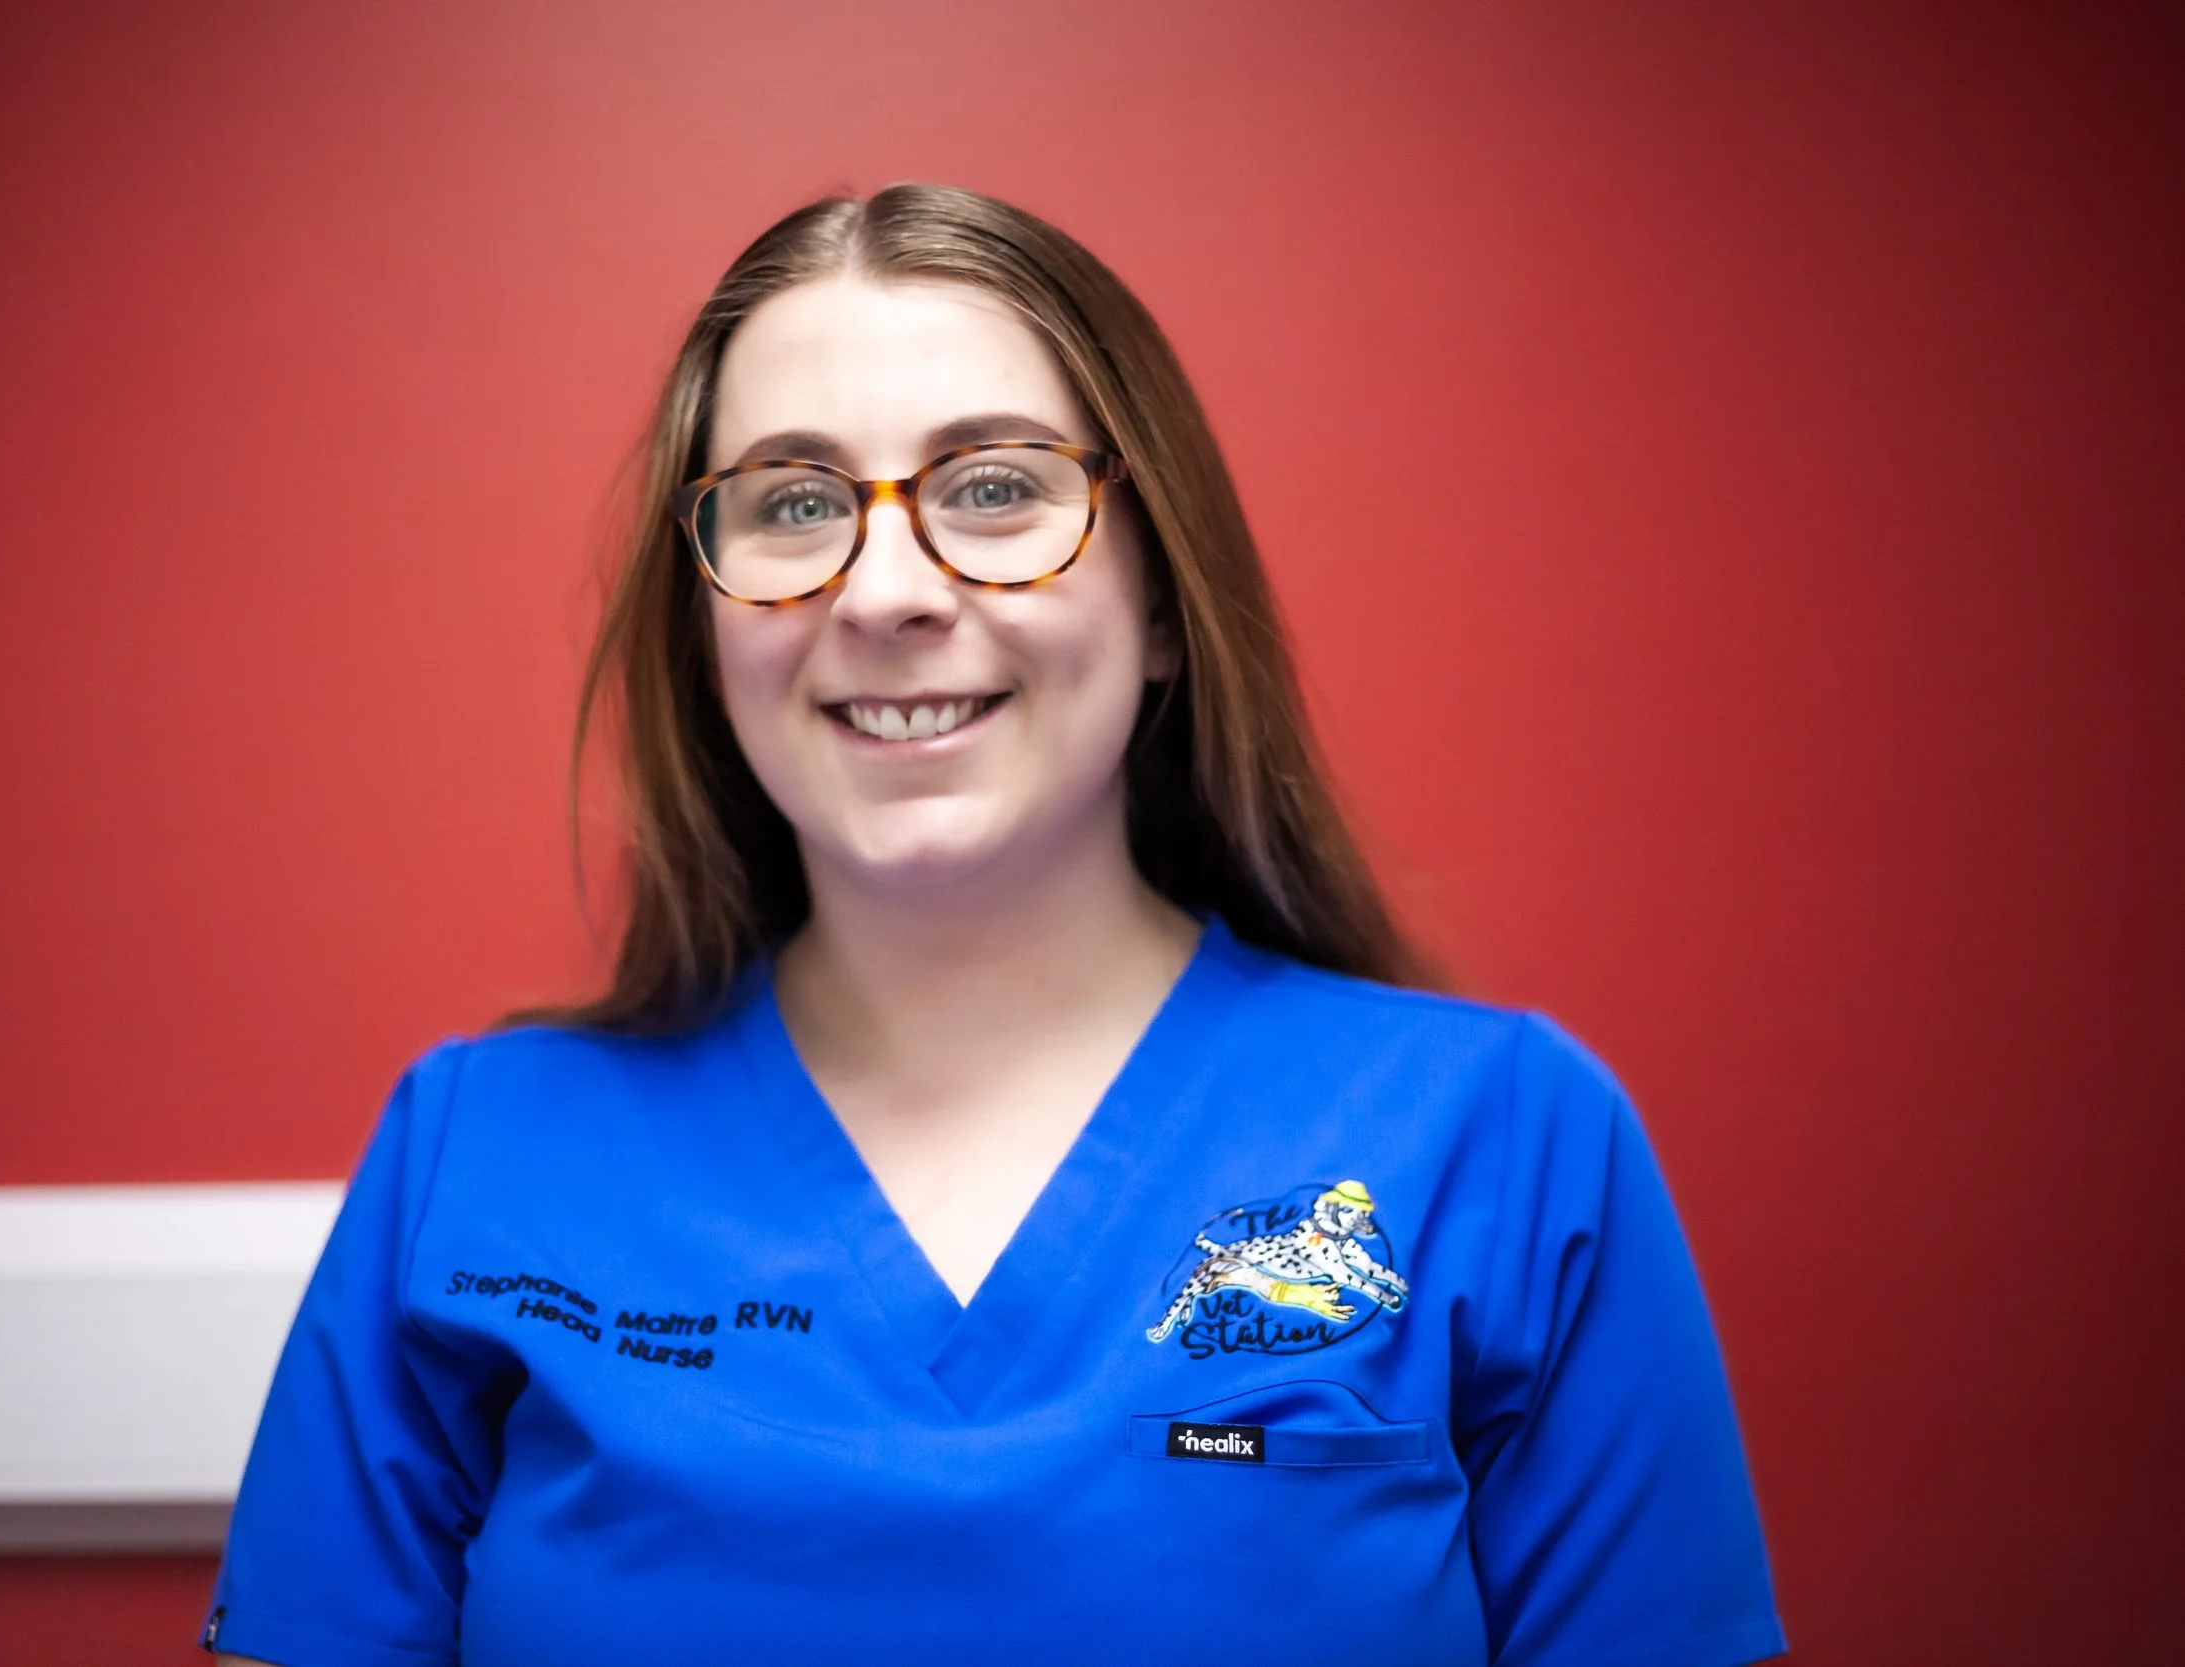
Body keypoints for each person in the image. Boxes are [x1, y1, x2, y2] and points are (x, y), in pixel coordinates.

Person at [202, 182, 1785, 1666]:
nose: (885, 588)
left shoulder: (1509, 1140)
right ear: (704, 626)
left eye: (998, 486)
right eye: (795, 502)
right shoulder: (475, 1152)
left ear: (1163, 602)